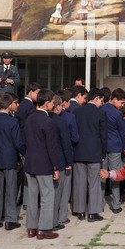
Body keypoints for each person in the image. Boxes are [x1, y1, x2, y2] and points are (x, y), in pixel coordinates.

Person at [24, 89, 60, 240]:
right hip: (43, 163)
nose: (53, 104)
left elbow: (24, 141)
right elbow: (51, 147)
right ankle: (44, 229)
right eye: (52, 102)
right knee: (47, 195)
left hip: (30, 162)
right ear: (47, 103)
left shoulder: (29, 118)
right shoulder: (48, 121)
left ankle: (31, 228)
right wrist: (56, 167)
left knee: (32, 196)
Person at [0, 93, 25, 231]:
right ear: (10, 105)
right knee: (11, 190)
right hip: (10, 159)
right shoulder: (12, 121)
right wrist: (23, 154)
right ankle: (10, 220)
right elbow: (18, 142)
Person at [72, 88, 108, 222]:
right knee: (94, 183)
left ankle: (79, 211)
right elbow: (104, 135)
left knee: (79, 182)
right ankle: (93, 213)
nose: (101, 103)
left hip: (79, 151)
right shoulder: (100, 113)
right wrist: (103, 153)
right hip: (94, 152)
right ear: (97, 98)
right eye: (101, 100)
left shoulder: (77, 111)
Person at [101, 88, 125, 214]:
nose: (122, 106)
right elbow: (121, 131)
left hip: (102, 146)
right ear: (114, 99)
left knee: (102, 175)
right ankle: (116, 203)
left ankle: (99, 203)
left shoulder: (101, 109)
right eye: (122, 103)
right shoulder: (118, 114)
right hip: (115, 146)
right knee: (115, 175)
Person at [49, 95, 73, 229]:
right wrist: (69, 161)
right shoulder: (60, 121)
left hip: (46, 161)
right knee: (59, 192)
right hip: (60, 160)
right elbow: (66, 143)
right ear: (58, 106)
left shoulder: (43, 119)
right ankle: (57, 219)